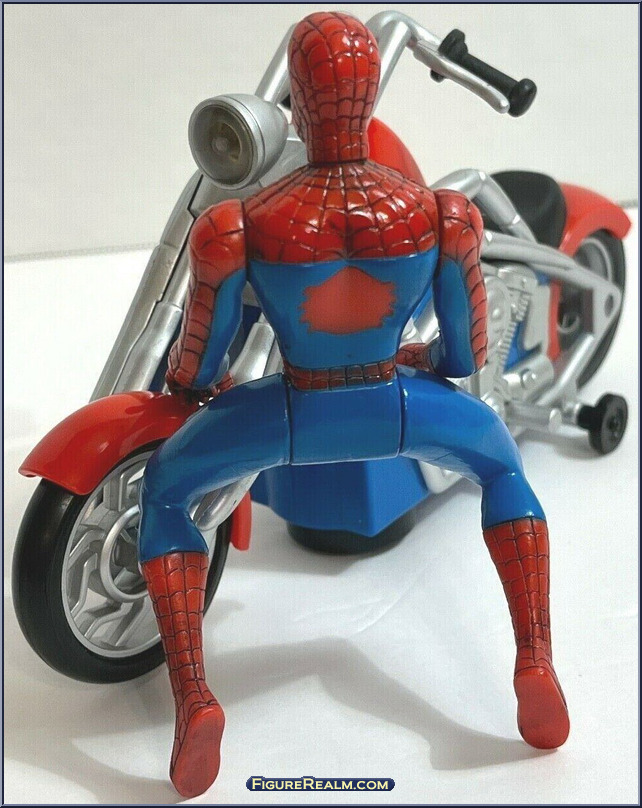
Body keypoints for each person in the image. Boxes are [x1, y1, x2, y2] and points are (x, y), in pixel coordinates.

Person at [139, 11, 569, 798]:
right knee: (504, 468)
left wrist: (195, 394)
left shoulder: (236, 225)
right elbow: (465, 356)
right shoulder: (442, 213)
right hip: (398, 406)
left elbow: (201, 361)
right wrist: (418, 362)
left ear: (295, 107)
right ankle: (535, 657)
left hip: (288, 412)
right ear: (370, 97)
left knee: (164, 490)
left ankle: (195, 696)